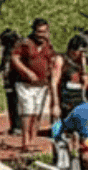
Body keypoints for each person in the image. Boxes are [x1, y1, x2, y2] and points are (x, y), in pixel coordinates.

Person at [10, 18, 56, 151]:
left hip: (42, 85)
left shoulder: (48, 44)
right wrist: (27, 71)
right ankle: (25, 142)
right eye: (39, 32)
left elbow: (51, 58)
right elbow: (14, 58)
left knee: (37, 113)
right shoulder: (25, 43)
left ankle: (32, 139)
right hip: (25, 84)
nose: (42, 35)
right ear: (34, 31)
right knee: (27, 112)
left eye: (45, 32)